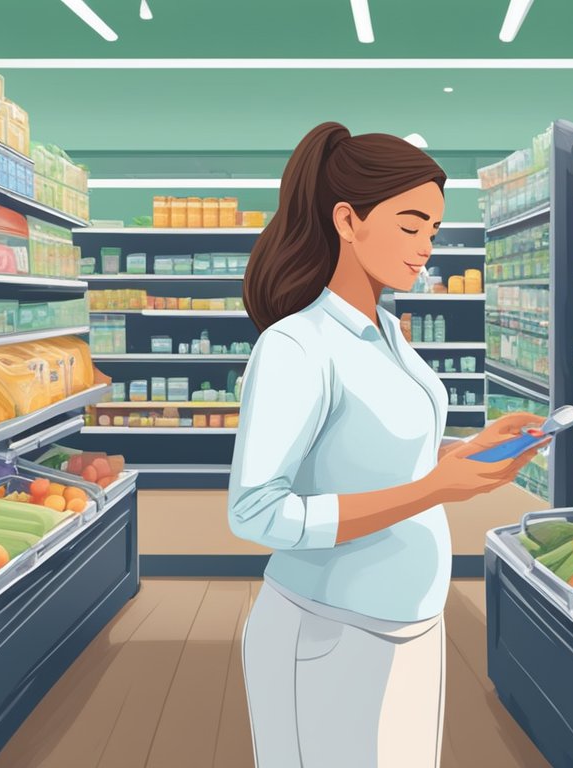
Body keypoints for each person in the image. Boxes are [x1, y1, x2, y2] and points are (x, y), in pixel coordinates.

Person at [229, 121, 545, 768]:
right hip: (327, 629)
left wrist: (466, 455)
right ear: (348, 220)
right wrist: (434, 490)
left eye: (433, 230)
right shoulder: (296, 347)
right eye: (410, 225)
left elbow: (380, 459)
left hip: (412, 622)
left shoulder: (392, 334)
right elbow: (257, 511)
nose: (426, 247)